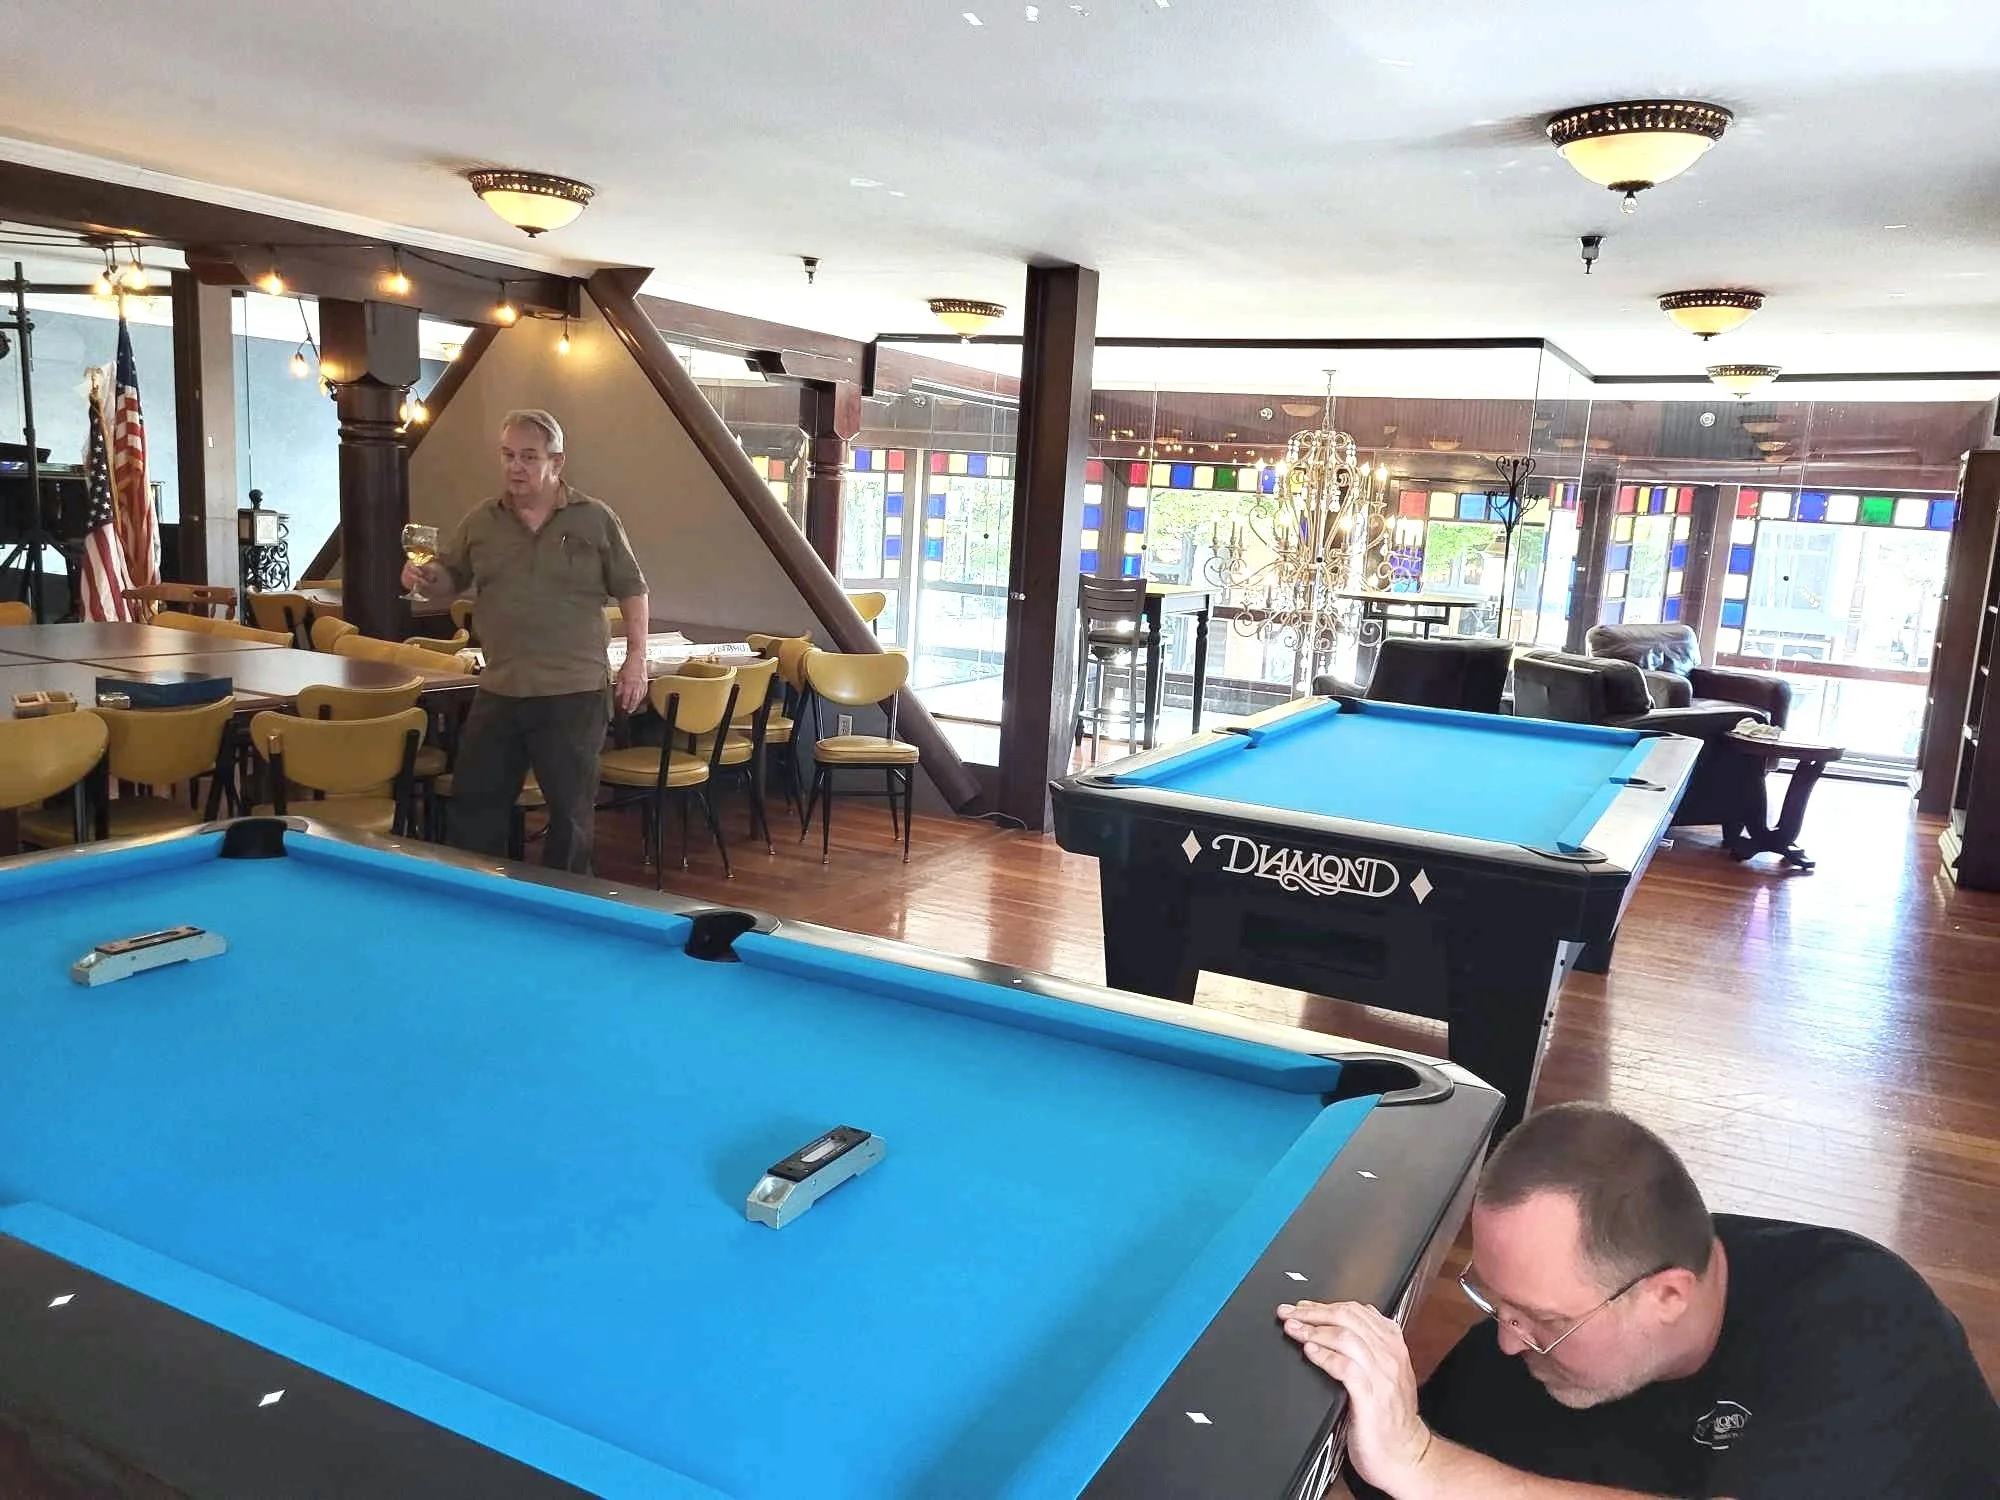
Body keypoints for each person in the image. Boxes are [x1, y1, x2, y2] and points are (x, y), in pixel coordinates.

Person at [1279, 1102, 2000, 1499]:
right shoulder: (1519, 1355)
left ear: (1668, 1296)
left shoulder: (1864, 1322)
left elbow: (1420, 1468)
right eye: (1495, 1300)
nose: (1507, 1339)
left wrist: (1424, 1462)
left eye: (1545, 1321)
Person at [402, 409, 649, 875]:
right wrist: (423, 577)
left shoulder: (595, 519)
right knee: (475, 807)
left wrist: (637, 658)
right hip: (500, 688)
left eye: (529, 457)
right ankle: (480, 902)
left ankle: (565, 906)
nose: (515, 467)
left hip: (574, 692)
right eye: (508, 455)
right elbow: (448, 578)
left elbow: (633, 588)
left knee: (571, 817)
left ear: (557, 461)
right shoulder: (482, 520)